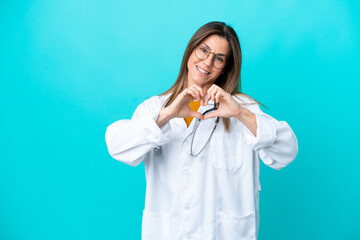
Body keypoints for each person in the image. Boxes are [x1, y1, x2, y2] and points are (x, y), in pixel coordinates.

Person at [105, 21, 298, 240]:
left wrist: (239, 114)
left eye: (219, 58)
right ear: (191, 50)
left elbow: (287, 151)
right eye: (203, 50)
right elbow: (117, 146)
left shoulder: (242, 108)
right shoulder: (155, 108)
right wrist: (167, 115)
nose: (207, 62)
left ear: (226, 67)